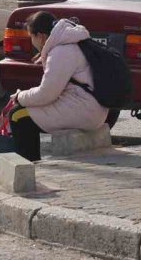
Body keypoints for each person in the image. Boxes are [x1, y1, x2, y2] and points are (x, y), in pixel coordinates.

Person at [9, 11, 108, 161]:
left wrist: (20, 97)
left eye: (31, 37)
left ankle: (29, 166)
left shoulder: (61, 51)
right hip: (92, 106)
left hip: (84, 110)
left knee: (18, 115)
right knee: (22, 111)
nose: (32, 42)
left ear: (40, 36)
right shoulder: (73, 41)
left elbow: (47, 94)